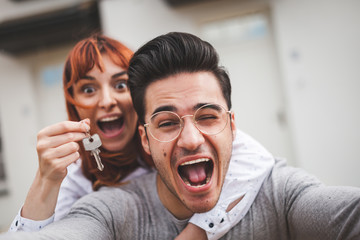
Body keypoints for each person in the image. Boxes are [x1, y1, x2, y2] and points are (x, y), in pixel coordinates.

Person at [3, 31, 358, 240]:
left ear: (232, 125)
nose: (107, 101)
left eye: (121, 84)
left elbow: (264, 171)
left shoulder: (269, 182)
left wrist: (199, 230)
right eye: (167, 123)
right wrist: (46, 181)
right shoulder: (93, 194)